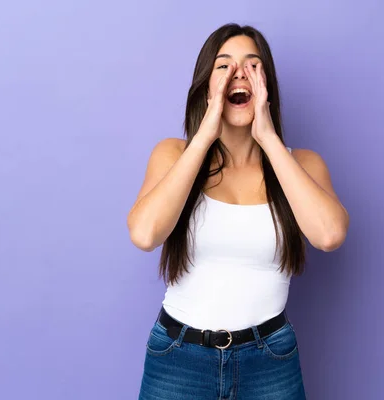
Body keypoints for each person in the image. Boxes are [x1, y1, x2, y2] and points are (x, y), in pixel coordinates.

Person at [127, 23, 349, 400]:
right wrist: (205, 135)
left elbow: (328, 235)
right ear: (206, 85)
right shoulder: (174, 155)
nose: (238, 74)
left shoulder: (303, 165)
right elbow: (146, 234)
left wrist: (267, 137)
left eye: (252, 65)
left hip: (270, 362)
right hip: (178, 359)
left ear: (266, 85)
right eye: (224, 66)